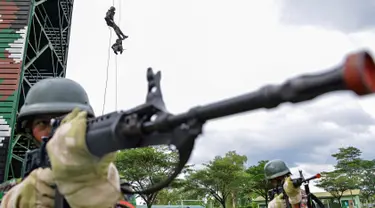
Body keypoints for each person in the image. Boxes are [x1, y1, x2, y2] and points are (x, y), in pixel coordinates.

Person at [0, 78, 124, 208]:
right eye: (43, 123)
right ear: (30, 130)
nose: (55, 131)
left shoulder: (114, 186)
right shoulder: (9, 190)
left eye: (66, 121)